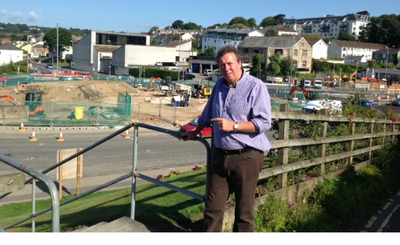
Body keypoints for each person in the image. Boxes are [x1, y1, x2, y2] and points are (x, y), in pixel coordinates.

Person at [181, 45, 272, 232]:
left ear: (240, 63)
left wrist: (234, 126)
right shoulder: (219, 86)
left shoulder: (256, 86)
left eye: (230, 64)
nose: (226, 68)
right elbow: (207, 114)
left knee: (244, 213)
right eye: (222, 65)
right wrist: (195, 132)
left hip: (246, 157)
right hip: (220, 157)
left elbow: (264, 122)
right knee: (212, 210)